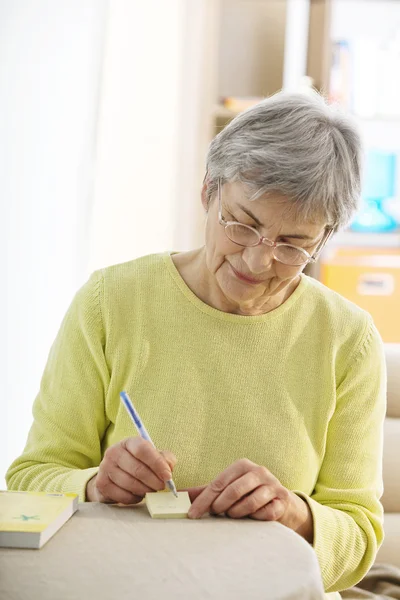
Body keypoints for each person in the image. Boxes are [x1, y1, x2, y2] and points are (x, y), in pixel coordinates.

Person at [7, 92, 386, 598]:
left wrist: (295, 514)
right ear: (209, 190)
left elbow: (359, 537)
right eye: (243, 224)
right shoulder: (110, 302)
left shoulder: (349, 340)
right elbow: (30, 481)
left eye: (294, 245)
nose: (257, 261)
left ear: (325, 239)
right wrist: (95, 485)